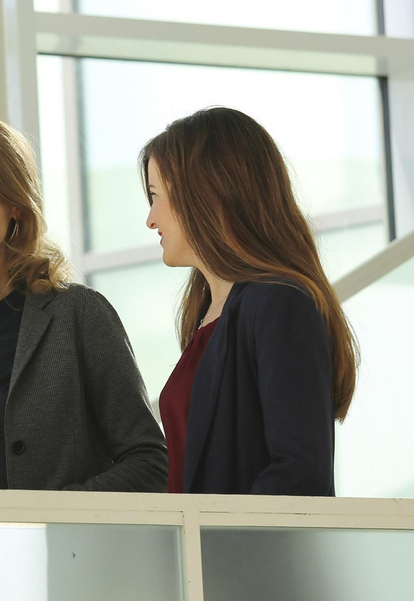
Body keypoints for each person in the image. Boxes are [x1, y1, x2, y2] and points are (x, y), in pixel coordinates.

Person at [0, 114, 167, 492]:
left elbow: (151, 463)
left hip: (59, 552)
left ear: (15, 204)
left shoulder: (78, 316)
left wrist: (51, 520)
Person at [141, 106, 357, 496]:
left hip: (247, 555)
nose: (151, 219)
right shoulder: (208, 317)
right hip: (205, 552)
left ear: (205, 194)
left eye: (156, 196)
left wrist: (223, 546)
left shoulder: (279, 305)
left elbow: (299, 473)